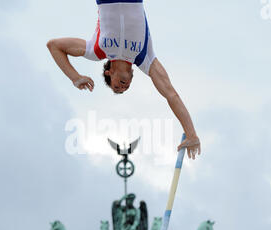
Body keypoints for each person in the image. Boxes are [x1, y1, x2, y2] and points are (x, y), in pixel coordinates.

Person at [47, 0, 201, 159]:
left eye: (116, 87)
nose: (123, 87)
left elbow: (54, 46)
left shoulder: (97, 51)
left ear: (109, 73)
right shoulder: (145, 59)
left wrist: (75, 77)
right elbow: (171, 94)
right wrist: (191, 134)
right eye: (125, 89)